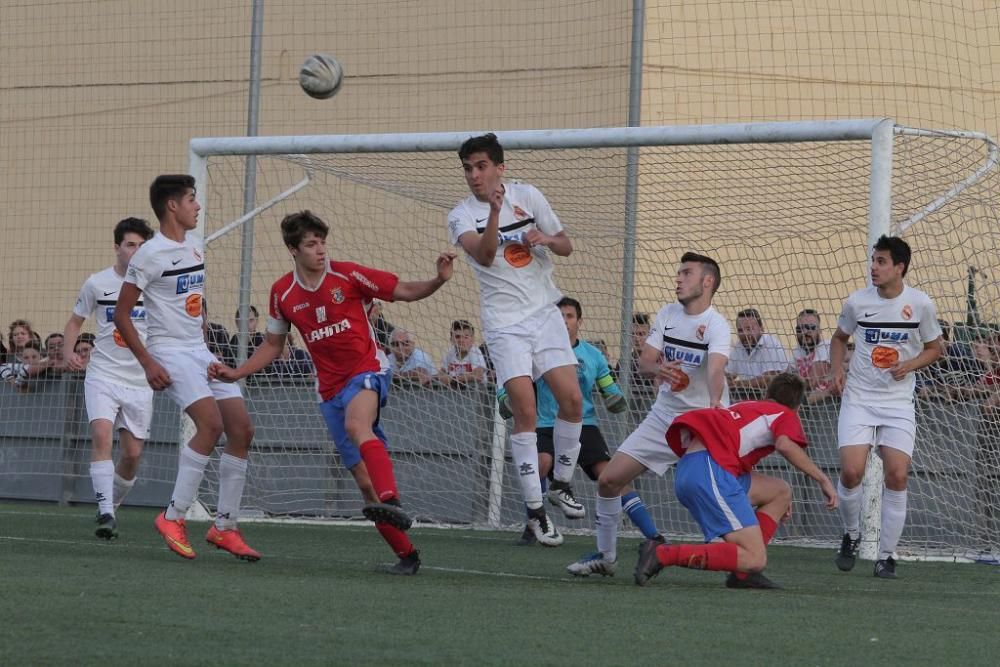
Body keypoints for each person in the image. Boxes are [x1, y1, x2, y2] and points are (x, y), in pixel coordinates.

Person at [210, 210, 455, 575]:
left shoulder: (347, 274)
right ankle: (407, 556)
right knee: (363, 483)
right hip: (328, 389)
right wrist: (237, 372)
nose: (321, 250)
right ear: (293, 249)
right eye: (312, 244)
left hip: (368, 369)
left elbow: (402, 291)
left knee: (360, 427)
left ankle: (393, 499)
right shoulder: (283, 293)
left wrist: (438, 279)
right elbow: (274, 344)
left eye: (323, 242)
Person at [448, 132, 583, 546]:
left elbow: (566, 246)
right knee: (524, 411)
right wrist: (493, 213)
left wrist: (545, 238)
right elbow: (485, 255)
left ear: (500, 168)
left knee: (573, 401)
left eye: (481, 166)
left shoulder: (528, 194)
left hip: (544, 313)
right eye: (468, 168)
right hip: (505, 324)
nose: (474, 175)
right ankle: (537, 513)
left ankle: (561, 483)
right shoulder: (459, 215)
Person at [116, 174, 260, 562]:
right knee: (210, 426)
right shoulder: (149, 254)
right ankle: (172, 516)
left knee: (242, 429)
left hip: (198, 350)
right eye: (192, 199)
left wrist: (206, 352)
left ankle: (224, 526)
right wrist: (148, 361)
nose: (198, 206)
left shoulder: (195, 247)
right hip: (169, 352)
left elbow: (189, 307)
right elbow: (121, 313)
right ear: (172, 206)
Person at [566, 252, 730, 574]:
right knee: (609, 480)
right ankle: (606, 556)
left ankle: (738, 555)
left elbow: (716, 369)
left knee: (710, 490)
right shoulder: (667, 314)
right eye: (679, 272)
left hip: (703, 422)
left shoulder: (717, 325)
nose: (678, 278)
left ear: (707, 282)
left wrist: (714, 403)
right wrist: (659, 368)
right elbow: (644, 362)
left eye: (686, 273)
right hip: (664, 417)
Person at [634, 373, 838, 588]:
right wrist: (823, 479)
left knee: (780, 492)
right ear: (796, 407)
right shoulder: (785, 414)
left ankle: (743, 575)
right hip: (711, 472)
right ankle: (662, 554)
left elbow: (736, 449)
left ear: (766, 394)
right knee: (755, 559)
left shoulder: (747, 405)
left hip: (693, 469)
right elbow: (785, 445)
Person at [830, 235, 943, 579]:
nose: (874, 268)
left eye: (881, 262)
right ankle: (851, 535)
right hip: (860, 398)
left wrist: (910, 365)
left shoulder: (920, 304)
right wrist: (837, 370)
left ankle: (886, 556)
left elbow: (935, 348)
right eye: (873, 261)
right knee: (851, 472)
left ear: (899, 267)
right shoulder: (857, 302)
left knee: (897, 474)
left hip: (897, 403)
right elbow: (839, 339)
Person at [523, 297, 662, 567]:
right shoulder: (538, 353)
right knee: (541, 463)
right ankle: (535, 523)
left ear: (579, 321)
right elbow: (518, 380)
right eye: (559, 316)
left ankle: (653, 536)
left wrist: (613, 396)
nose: (564, 321)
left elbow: (608, 386)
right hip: (547, 424)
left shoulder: (593, 355)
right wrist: (506, 397)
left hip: (584, 424)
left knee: (611, 476)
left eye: (570, 316)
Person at [62, 217, 156, 539]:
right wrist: (68, 352)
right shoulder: (97, 283)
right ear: (117, 247)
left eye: (142, 246)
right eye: (131, 244)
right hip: (102, 373)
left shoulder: (155, 285)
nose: (136, 251)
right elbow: (75, 322)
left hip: (140, 380)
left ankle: (110, 507)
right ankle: (104, 511)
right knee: (101, 436)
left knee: (131, 456)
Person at [727, 308, 789, 398]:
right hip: (748, 397)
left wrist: (736, 384)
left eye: (749, 329)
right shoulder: (739, 347)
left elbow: (768, 380)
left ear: (761, 329)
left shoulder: (771, 344)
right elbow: (728, 374)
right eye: (740, 330)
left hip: (773, 399)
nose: (745, 334)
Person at [614, 312, 655, 396]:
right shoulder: (623, 362)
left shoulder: (658, 360)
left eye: (641, 334)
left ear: (649, 335)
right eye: (633, 334)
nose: (637, 338)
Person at [437, 319, 487, 386]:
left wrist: (453, 379)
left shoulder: (475, 352)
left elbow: (478, 376)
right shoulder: (450, 353)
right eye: (457, 337)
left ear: (472, 339)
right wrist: (441, 377)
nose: (461, 340)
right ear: (451, 339)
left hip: (477, 394)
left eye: (466, 337)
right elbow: (442, 372)